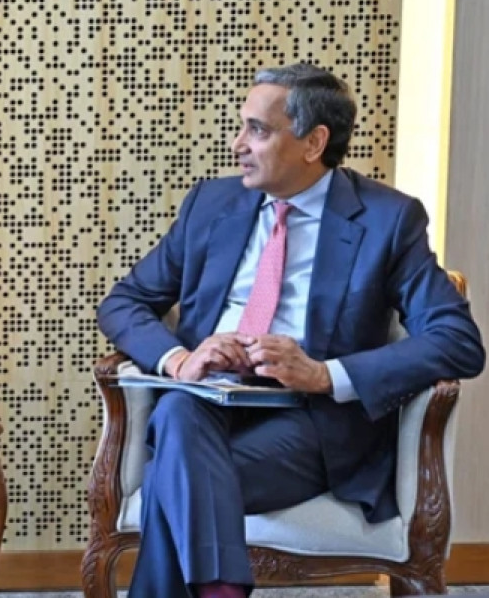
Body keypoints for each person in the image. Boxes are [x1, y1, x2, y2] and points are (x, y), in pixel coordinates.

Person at [97, 63, 484, 598]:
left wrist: (325, 374)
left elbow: (457, 341)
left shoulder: (387, 219)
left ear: (313, 141)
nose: (238, 144)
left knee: (172, 472)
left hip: (312, 427)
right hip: (206, 403)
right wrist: (179, 361)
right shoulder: (211, 204)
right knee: (182, 409)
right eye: (242, 126)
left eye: (258, 129)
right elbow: (125, 302)